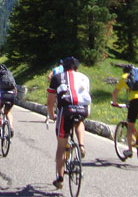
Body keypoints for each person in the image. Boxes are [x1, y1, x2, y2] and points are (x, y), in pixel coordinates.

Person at [47, 56, 91, 189]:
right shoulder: (84, 77)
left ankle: (60, 179)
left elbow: (50, 102)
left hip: (66, 110)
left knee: (61, 146)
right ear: (77, 67)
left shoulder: (57, 77)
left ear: (63, 67)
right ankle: (81, 145)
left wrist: (52, 115)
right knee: (79, 122)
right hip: (82, 108)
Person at [111, 64, 138, 158]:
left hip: (135, 100)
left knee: (130, 125)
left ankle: (130, 150)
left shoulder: (124, 77)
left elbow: (115, 93)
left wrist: (115, 103)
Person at [0, 64, 17, 136]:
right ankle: (11, 127)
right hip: (11, 95)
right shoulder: (9, 74)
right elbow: (15, 87)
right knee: (8, 112)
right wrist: (14, 96)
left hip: (2, 96)